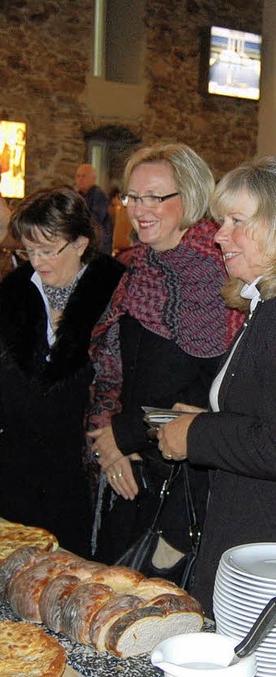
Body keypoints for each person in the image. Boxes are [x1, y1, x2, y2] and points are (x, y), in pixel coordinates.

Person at [88, 143, 244, 567]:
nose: (141, 208)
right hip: (130, 461)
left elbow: (210, 388)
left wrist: (125, 435)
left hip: (181, 474)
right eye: (133, 197)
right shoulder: (138, 266)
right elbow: (112, 369)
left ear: (190, 198)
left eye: (156, 197)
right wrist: (113, 444)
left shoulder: (216, 274)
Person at [0, 188, 125, 554]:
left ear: (80, 243)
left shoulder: (118, 293)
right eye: (29, 250)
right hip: (17, 471)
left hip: (81, 473)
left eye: (47, 249)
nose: (36, 261)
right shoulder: (14, 293)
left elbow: (127, 381)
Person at [157, 156, 276, 616]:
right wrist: (205, 421)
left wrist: (197, 435)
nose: (220, 235)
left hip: (261, 554)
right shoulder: (261, 304)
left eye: (236, 222)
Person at [75, 163, 113, 255]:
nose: (80, 179)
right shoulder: (77, 196)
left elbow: (95, 220)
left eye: (84, 176)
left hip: (98, 244)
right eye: (78, 176)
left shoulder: (98, 195)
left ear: (93, 178)